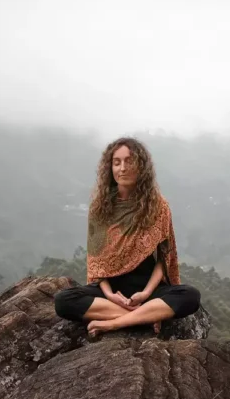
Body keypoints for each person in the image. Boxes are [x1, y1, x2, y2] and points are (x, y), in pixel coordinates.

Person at [54, 137, 201, 337]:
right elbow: (97, 263)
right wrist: (109, 295)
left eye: (129, 161)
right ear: (110, 168)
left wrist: (147, 293)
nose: (122, 168)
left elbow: (164, 259)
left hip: (147, 289)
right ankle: (145, 318)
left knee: (190, 297)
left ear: (141, 167)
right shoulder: (100, 208)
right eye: (116, 162)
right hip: (112, 291)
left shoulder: (158, 207)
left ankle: (114, 323)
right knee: (63, 301)